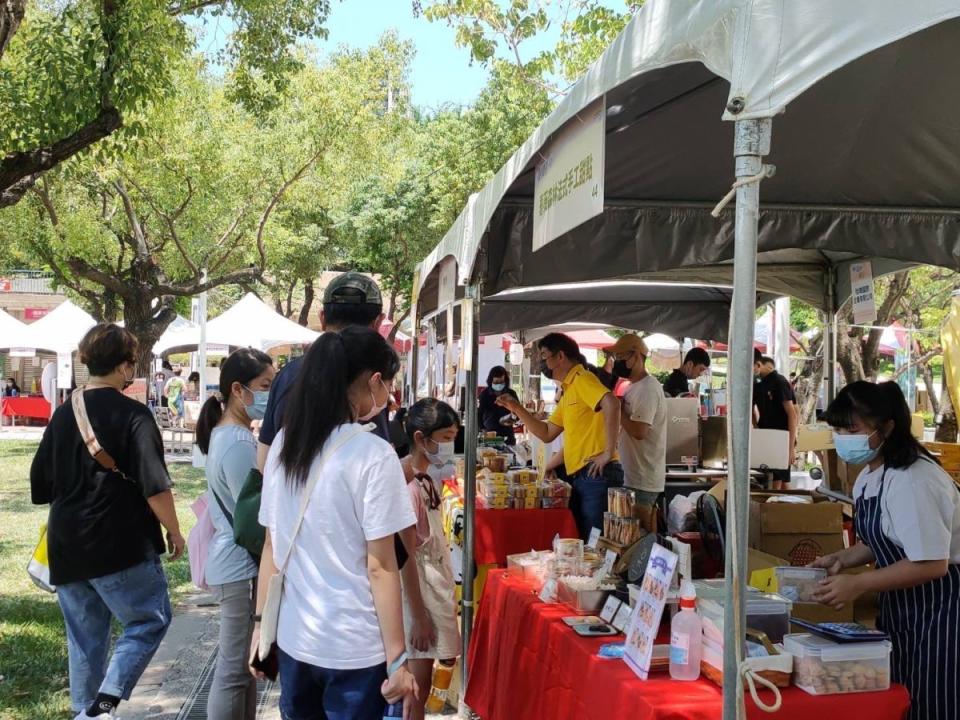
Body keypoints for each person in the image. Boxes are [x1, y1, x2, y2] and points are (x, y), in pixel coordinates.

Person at [252, 326, 418, 719]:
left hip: (295, 642)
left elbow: (271, 547)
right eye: (389, 385)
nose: (388, 398)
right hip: (355, 649)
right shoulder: (373, 455)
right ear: (375, 381)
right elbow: (380, 566)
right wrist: (397, 660)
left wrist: (260, 627)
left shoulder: (283, 445)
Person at [30, 324, 184, 720]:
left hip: (67, 544)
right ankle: (103, 706)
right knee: (150, 619)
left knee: (85, 640)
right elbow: (155, 485)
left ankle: (87, 712)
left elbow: (40, 481)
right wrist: (175, 530)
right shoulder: (135, 415)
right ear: (124, 365)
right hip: (120, 542)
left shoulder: (64, 413)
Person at [811, 381, 960, 720]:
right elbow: (883, 540)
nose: (843, 437)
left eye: (852, 429)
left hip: (945, 610)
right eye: (837, 429)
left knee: (937, 701)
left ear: (888, 427)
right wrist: (842, 559)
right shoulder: (870, 475)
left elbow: (932, 563)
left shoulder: (914, 479)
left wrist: (858, 584)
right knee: (904, 697)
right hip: (904, 607)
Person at [195, 348, 275, 720]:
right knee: (232, 670)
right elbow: (253, 514)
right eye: (265, 386)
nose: (269, 396)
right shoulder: (240, 443)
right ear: (238, 389)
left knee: (243, 669)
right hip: (239, 565)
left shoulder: (228, 435)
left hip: (232, 562)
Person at [496, 332, 622, 539]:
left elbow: (612, 403)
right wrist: (515, 407)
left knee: (594, 542)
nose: (543, 363)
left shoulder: (582, 379)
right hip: (583, 475)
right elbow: (546, 433)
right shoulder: (569, 390)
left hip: (597, 474)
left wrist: (608, 452)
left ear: (560, 356)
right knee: (583, 540)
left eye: (545, 356)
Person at [257, 272, 386, 472]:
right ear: (379, 322)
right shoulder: (372, 379)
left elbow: (264, 464)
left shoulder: (288, 376)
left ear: (322, 318)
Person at [398, 399, 462, 720]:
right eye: (447, 438)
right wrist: (419, 615)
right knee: (415, 691)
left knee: (419, 690)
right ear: (422, 439)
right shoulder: (410, 489)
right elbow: (406, 557)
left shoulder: (427, 479)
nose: (451, 446)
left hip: (430, 592)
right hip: (418, 599)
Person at [606, 335, 667, 533]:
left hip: (642, 479)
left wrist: (618, 410)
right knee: (631, 537)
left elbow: (640, 431)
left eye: (621, 357)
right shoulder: (633, 387)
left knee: (640, 539)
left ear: (637, 357)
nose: (617, 362)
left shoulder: (648, 388)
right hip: (633, 475)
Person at [753, 353, 798, 490]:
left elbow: (793, 413)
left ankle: (776, 508)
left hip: (781, 438)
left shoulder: (780, 381)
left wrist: (790, 448)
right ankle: (793, 508)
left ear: (759, 365)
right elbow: (750, 409)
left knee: (776, 483)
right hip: (766, 437)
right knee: (780, 482)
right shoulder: (757, 385)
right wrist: (757, 430)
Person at [478, 366, 519, 444]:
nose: (499, 385)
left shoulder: (511, 394)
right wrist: (482, 429)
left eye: (501, 382)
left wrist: (514, 419)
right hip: (490, 433)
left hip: (508, 434)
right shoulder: (485, 394)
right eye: (496, 382)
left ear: (505, 381)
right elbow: (480, 413)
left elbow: (518, 412)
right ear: (491, 381)